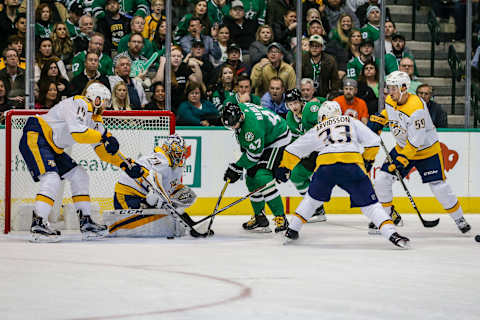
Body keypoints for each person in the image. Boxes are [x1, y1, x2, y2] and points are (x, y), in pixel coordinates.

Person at [19, 82, 145, 242]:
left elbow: (104, 152)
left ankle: (86, 221)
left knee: (79, 175)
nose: (106, 105)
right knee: (51, 178)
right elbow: (78, 133)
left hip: (53, 147)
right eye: (105, 100)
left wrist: (126, 164)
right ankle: (39, 223)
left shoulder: (94, 120)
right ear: (96, 99)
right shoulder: (80, 103)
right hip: (36, 135)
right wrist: (104, 137)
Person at [277, 101, 410, 248]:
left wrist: (285, 167)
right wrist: (367, 160)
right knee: (371, 205)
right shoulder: (350, 120)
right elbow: (374, 141)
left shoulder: (319, 127)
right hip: (351, 163)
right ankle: (392, 234)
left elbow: (294, 149)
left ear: (322, 117)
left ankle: (292, 230)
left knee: (311, 200)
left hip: (326, 166)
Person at [367, 71, 471, 235]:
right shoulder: (390, 99)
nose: (389, 92)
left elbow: (416, 140)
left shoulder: (416, 108)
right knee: (381, 179)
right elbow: (391, 112)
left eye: (393, 88)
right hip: (402, 148)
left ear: (403, 88)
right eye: (388, 88)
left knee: (439, 187)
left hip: (426, 152)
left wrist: (401, 160)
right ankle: (386, 218)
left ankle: (459, 218)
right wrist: (381, 119)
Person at [222, 101, 291, 233]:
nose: (233, 128)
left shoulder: (252, 129)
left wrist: (237, 167)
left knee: (262, 177)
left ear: (241, 117)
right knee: (251, 178)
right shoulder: (238, 109)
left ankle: (281, 218)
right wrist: (238, 167)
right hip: (265, 137)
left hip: (277, 139)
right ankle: (260, 217)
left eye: (234, 125)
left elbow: (254, 156)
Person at [111, 134, 195, 237]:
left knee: (173, 198)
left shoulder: (175, 165)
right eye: (177, 154)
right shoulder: (161, 159)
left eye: (181, 154)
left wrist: (175, 205)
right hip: (126, 195)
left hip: (143, 196)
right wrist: (167, 204)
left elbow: (169, 189)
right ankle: (113, 227)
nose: (180, 157)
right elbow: (156, 182)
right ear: (168, 150)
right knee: (132, 226)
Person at [283, 88, 327, 222]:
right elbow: (294, 139)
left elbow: (325, 126)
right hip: (310, 153)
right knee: (296, 175)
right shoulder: (289, 117)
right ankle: (317, 209)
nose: (293, 107)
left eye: (295, 103)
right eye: (290, 104)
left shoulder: (311, 109)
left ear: (301, 101)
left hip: (325, 149)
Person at [152, 45, 202, 113]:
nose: (176, 58)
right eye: (173, 56)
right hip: (168, 104)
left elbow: (197, 81)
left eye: (178, 56)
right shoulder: (165, 67)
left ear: (181, 58)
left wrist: (196, 66)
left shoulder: (183, 67)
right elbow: (158, 81)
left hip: (183, 104)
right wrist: (162, 63)